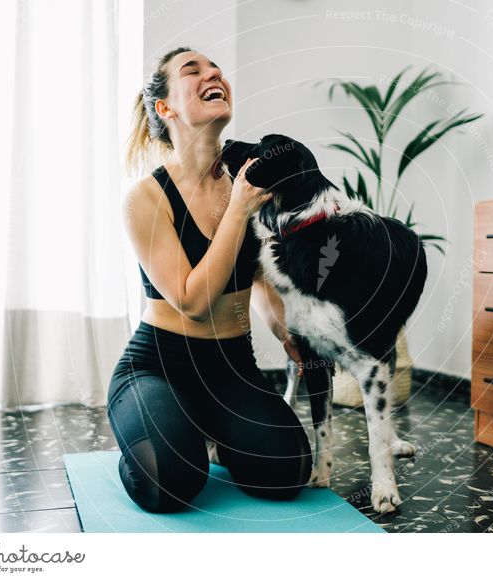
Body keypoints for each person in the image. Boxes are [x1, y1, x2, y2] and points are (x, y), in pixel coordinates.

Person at [109, 46, 312, 513]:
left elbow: (259, 277)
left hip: (232, 366)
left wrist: (286, 334)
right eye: (192, 70)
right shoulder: (145, 198)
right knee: (168, 482)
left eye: (215, 68)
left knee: (287, 473)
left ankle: (208, 428)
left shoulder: (251, 181)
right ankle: (154, 436)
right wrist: (238, 209)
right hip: (158, 364)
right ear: (166, 108)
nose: (213, 72)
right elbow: (192, 301)